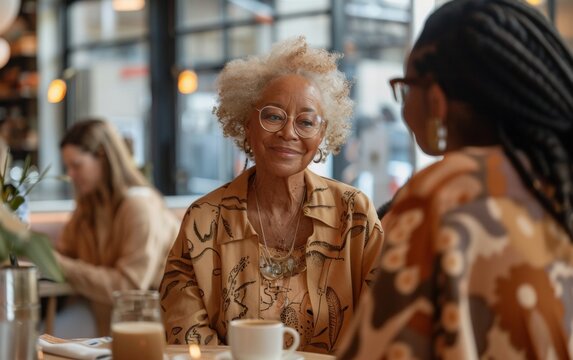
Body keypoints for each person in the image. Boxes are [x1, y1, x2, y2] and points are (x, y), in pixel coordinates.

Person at [337, 0, 573, 358]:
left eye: (405, 86)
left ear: (436, 100)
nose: (403, 104)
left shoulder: (445, 193)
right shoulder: (554, 181)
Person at [160, 36, 384, 354]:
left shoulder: (353, 213)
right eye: (273, 116)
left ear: (323, 134)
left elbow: (385, 321)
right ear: (246, 123)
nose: (288, 133)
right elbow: (185, 334)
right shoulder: (205, 218)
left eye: (306, 122)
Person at [54, 119, 180, 336]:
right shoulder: (87, 208)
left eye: (76, 165)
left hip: (154, 326)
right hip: (108, 319)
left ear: (102, 156)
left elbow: (128, 287)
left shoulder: (139, 206)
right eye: (68, 167)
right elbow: (63, 253)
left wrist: (60, 264)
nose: (70, 175)